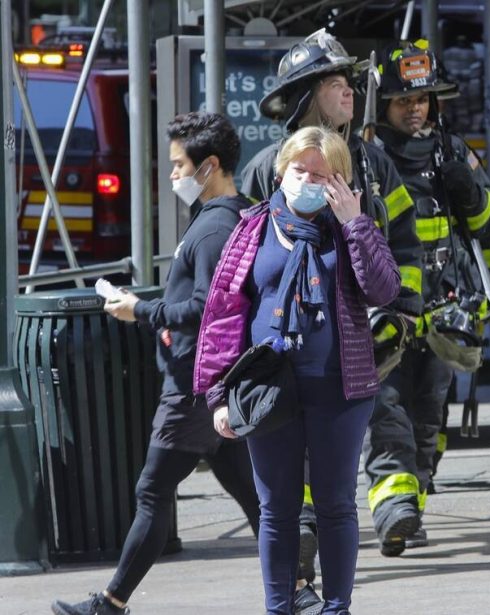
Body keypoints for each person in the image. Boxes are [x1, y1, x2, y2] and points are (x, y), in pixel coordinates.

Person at [240, 29, 422, 611]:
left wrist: (398, 318)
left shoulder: (372, 163)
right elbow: (237, 279)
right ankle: (293, 592)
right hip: (276, 370)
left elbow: (407, 250)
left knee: (346, 484)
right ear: (306, 97)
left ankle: (339, 588)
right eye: (338, 84)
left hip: (357, 354)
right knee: (284, 506)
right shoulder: (267, 168)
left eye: (350, 83)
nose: (351, 93)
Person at [52, 112, 260, 615]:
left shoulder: (213, 227)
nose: (172, 176)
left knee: (152, 491)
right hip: (212, 382)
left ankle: (111, 603)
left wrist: (140, 310)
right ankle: (299, 584)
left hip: (193, 383)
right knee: (254, 495)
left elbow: (210, 307)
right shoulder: (234, 214)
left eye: (178, 165)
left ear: (209, 166)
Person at [195, 126, 399, 615]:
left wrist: (355, 224)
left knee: (335, 505)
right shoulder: (251, 228)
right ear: (281, 170)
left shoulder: (350, 225)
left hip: (340, 388)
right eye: (299, 170)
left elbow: (384, 289)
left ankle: (336, 607)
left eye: (321, 175)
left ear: (340, 183)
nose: (307, 180)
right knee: (277, 510)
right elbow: (223, 315)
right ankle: (278, 607)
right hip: (267, 390)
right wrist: (219, 395)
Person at [362, 39, 490, 557]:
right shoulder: (365, 158)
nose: (416, 109)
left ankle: (409, 510)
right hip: (388, 314)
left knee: (428, 420)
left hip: (441, 314)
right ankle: (393, 508)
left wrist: (465, 183)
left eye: (423, 100)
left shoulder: (452, 150)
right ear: (383, 106)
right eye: (405, 101)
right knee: (388, 414)